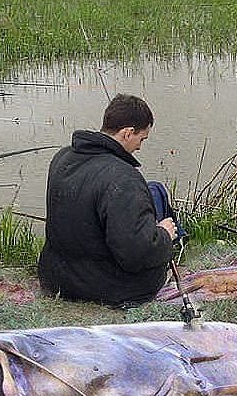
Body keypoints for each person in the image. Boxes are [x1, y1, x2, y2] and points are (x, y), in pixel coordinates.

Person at [38, 93, 178, 307]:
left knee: (155, 190)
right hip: (107, 287)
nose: (140, 147)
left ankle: (176, 237)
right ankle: (177, 239)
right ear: (127, 133)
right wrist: (164, 235)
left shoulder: (63, 157)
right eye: (141, 139)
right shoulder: (123, 178)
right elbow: (136, 256)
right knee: (161, 211)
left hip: (56, 277)